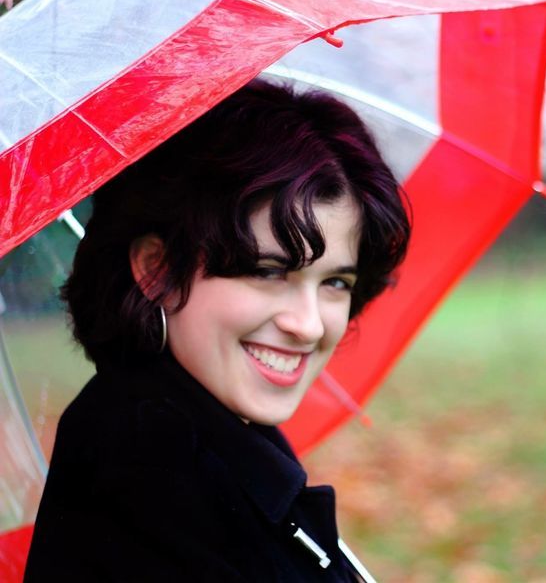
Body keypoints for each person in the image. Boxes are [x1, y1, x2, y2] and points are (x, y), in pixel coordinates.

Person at [24, 78, 411, 582]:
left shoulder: (221, 438)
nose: (309, 324)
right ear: (158, 271)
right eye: (269, 271)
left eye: (335, 281)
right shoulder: (148, 475)